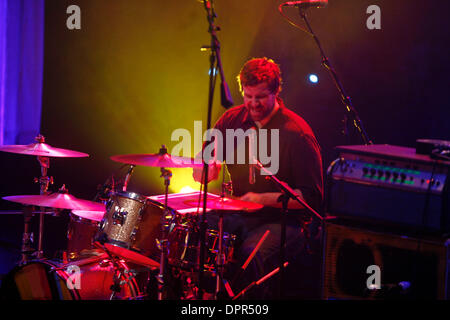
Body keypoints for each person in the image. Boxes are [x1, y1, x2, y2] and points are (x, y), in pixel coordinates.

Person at [193, 57, 324, 299]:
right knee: (195, 233)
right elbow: (200, 169)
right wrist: (206, 169)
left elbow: (311, 199)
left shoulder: (297, 134)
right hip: (239, 214)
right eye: (248, 96)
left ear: (276, 91)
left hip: (285, 222)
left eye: (260, 97)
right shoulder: (231, 120)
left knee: (250, 254)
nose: (253, 104)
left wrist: (261, 198)